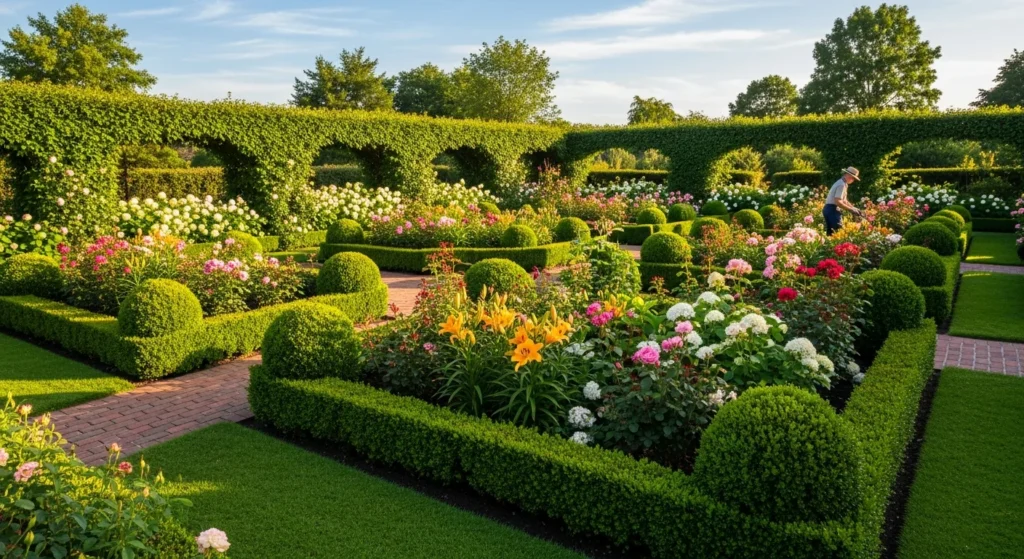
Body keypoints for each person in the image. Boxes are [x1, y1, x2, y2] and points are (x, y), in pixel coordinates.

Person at [823, 167, 864, 235]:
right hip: (832, 209)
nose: (853, 180)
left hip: (829, 209)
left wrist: (854, 208)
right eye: (853, 178)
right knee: (838, 232)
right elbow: (838, 201)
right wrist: (851, 210)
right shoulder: (841, 185)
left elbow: (844, 200)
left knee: (831, 233)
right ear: (847, 175)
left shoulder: (843, 183)